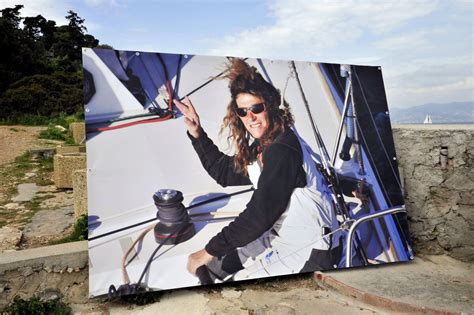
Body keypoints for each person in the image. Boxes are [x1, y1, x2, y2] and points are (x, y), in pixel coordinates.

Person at [174, 59, 342, 281]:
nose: (250, 117)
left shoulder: (281, 149)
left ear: (270, 105)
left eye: (256, 108)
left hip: (314, 248)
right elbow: (223, 173)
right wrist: (197, 133)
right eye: (242, 111)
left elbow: (259, 216)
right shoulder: (263, 145)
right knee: (215, 268)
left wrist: (208, 250)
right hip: (279, 232)